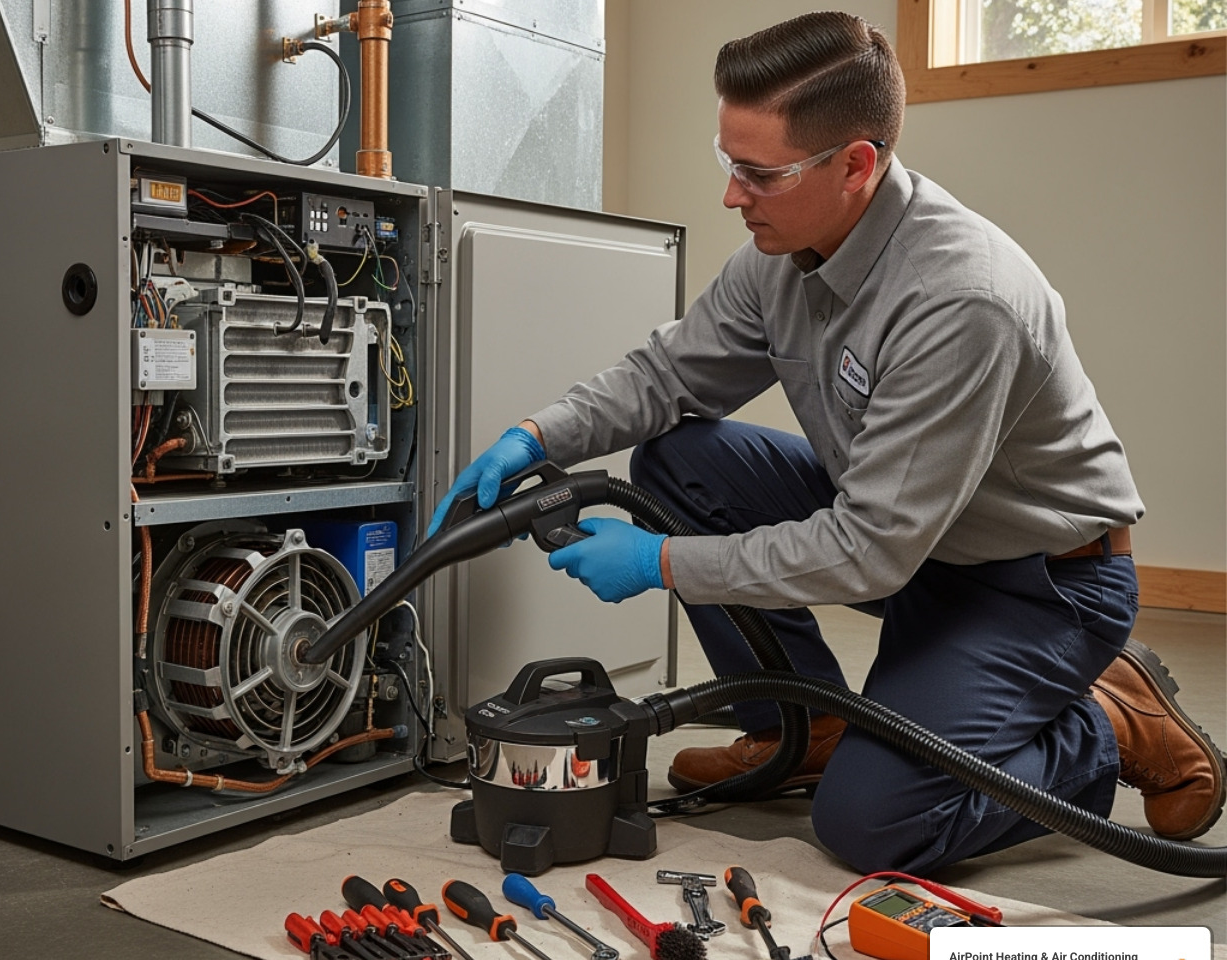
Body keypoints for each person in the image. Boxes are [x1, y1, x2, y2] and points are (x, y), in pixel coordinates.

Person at [428, 12, 1224, 874]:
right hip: (918, 545)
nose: (732, 195)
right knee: (679, 463)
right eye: (728, 161)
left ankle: (1109, 724)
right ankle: (803, 730)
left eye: (760, 174)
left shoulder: (961, 301)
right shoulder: (783, 252)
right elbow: (667, 377)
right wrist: (534, 435)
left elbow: (870, 551)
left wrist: (661, 562)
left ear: (855, 165)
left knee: (874, 824)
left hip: (1034, 586)